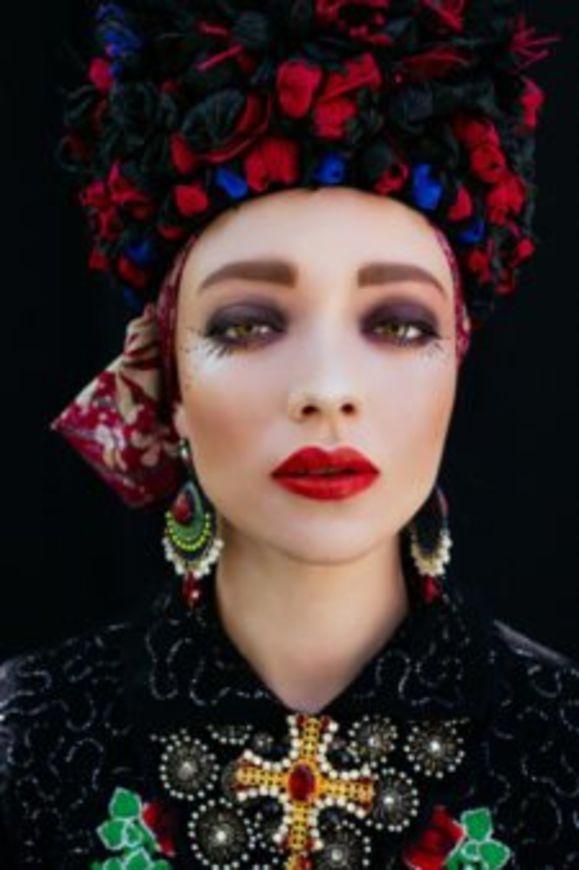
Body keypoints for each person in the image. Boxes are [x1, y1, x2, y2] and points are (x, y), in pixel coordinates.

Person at [1, 1, 577, 868]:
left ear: (455, 365)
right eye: (246, 325)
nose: (326, 391)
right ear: (167, 381)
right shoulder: (24, 740)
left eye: (397, 324)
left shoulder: (563, 746)